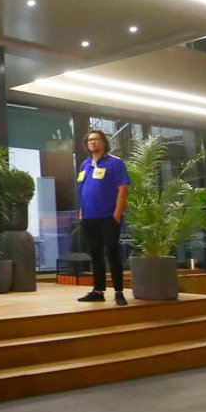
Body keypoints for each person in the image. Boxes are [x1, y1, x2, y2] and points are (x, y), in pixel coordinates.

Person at [76, 130, 131, 305]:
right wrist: (81, 210)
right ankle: (98, 290)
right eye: (90, 140)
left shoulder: (115, 163)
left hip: (108, 217)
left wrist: (117, 213)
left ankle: (119, 292)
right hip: (88, 217)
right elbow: (83, 189)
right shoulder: (85, 165)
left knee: (113, 254)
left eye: (97, 139)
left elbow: (123, 189)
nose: (93, 142)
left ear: (104, 142)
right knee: (95, 254)